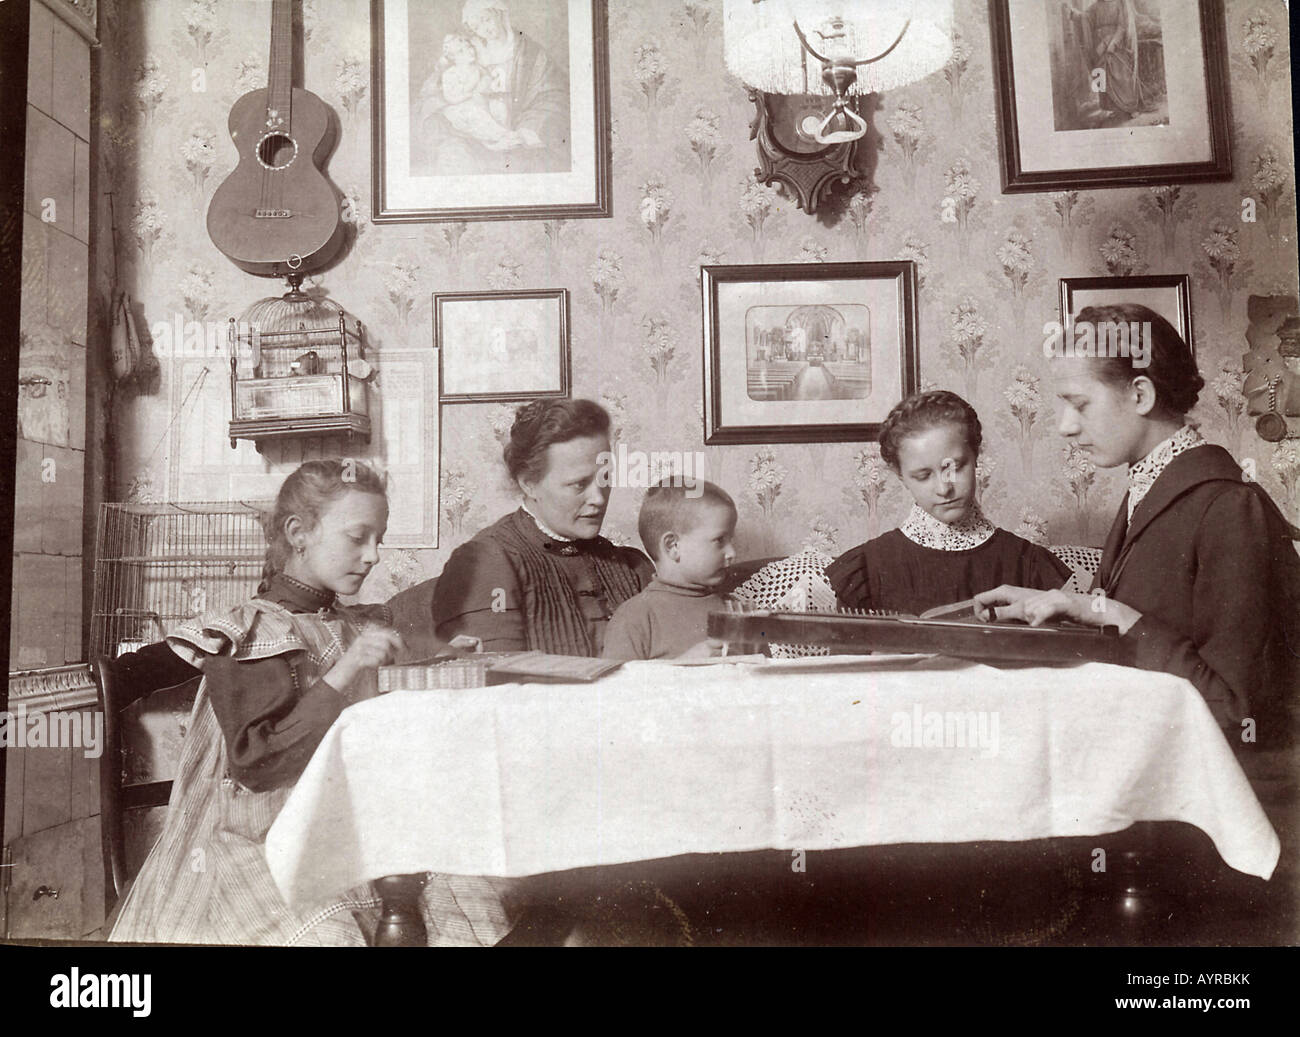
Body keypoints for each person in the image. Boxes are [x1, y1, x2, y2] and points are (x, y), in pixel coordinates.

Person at [109, 460, 514, 945]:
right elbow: (257, 765)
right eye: (358, 537)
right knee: (332, 937)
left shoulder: (350, 624)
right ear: (298, 533)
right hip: (258, 842)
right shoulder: (250, 632)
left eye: (379, 538)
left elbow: (368, 703)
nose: (374, 555)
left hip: (343, 829)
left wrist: (437, 657)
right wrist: (347, 672)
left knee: (472, 902)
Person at [975, 304, 1300, 744]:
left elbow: (1238, 714)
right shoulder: (1152, 487)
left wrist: (1109, 611)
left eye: (1079, 404)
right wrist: (1060, 605)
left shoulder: (1229, 506)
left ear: (1141, 395)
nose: (1064, 426)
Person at [433, 398, 654, 656]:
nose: (599, 498)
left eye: (605, 478)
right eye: (579, 484)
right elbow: (496, 684)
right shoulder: (488, 563)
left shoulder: (631, 566)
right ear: (529, 483)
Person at [826, 390, 1072, 615]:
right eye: (923, 476)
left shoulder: (1028, 563)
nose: (944, 488)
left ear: (975, 456)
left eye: (954, 467)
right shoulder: (867, 570)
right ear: (901, 476)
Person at [602, 479, 738, 661]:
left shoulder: (735, 608)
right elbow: (617, 688)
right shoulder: (635, 617)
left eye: (731, 540)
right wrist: (682, 668)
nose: (732, 553)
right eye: (720, 540)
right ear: (673, 546)